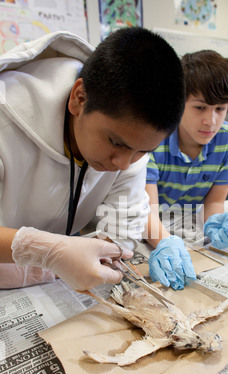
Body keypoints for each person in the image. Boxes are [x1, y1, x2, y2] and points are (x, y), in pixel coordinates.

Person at [0, 28, 185, 290]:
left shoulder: (131, 147)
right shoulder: (5, 118)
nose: (123, 163)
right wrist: (46, 251)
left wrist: (108, 249)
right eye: (115, 142)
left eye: (143, 151)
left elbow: (124, 225)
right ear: (79, 99)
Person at [145, 50, 228, 290]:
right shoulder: (152, 136)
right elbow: (145, 209)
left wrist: (215, 224)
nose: (210, 121)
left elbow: (214, 202)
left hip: (187, 225)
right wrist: (165, 242)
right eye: (200, 108)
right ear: (179, 102)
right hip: (148, 222)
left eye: (220, 109)